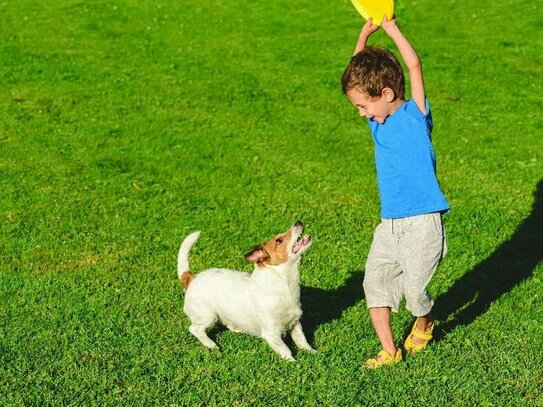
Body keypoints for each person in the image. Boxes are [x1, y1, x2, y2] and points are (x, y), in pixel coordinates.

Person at [341, 16, 449, 369]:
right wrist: (362, 36)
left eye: (363, 106)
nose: (362, 114)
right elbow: (359, 76)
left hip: (422, 223)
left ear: (386, 94)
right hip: (388, 225)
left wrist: (390, 29)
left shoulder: (415, 116)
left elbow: (414, 64)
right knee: (375, 284)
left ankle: (424, 322)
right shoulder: (378, 124)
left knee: (415, 290)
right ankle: (389, 350)